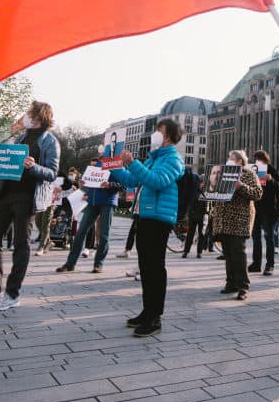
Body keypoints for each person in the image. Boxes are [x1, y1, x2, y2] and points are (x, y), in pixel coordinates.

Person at [0, 101, 59, 311]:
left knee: (20, 244)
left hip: (27, 197)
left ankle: (12, 294)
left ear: (39, 117)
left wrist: (33, 166)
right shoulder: (21, 137)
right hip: (6, 194)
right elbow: (9, 164)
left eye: (29, 113)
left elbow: (52, 173)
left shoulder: (50, 141)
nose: (25, 116)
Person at [110, 118, 184, 336]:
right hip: (145, 216)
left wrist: (133, 163)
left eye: (158, 131)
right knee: (146, 267)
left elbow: (157, 181)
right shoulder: (154, 158)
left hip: (159, 219)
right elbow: (133, 180)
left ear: (168, 135)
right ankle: (147, 311)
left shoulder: (173, 159)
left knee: (154, 268)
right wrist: (113, 166)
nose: (154, 134)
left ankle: (155, 317)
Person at [212, 149, 263, 301]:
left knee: (238, 253)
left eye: (231, 158)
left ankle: (243, 286)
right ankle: (231, 283)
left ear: (240, 161)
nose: (228, 159)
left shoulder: (248, 173)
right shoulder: (222, 173)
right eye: (228, 157)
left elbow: (257, 193)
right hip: (224, 219)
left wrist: (240, 186)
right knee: (228, 253)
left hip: (240, 219)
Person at [57, 158, 122, 272]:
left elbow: (124, 184)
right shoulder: (96, 164)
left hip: (107, 202)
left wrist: (110, 184)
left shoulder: (116, 163)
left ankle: (98, 264)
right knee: (80, 232)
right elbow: (94, 183)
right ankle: (70, 263)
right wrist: (86, 187)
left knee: (103, 235)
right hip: (92, 202)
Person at [249, 150, 279, 275]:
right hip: (256, 208)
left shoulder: (271, 169)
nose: (257, 161)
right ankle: (256, 263)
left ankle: (270, 265)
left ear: (264, 160)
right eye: (255, 159)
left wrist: (271, 179)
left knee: (269, 237)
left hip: (268, 209)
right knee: (256, 237)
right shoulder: (253, 170)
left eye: (259, 159)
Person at [181, 169, 205, 258]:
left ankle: (199, 252)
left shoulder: (207, 192)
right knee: (190, 234)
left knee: (201, 234)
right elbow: (190, 202)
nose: (202, 184)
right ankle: (186, 251)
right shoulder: (194, 191)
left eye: (203, 183)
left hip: (203, 216)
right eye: (201, 183)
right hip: (193, 214)